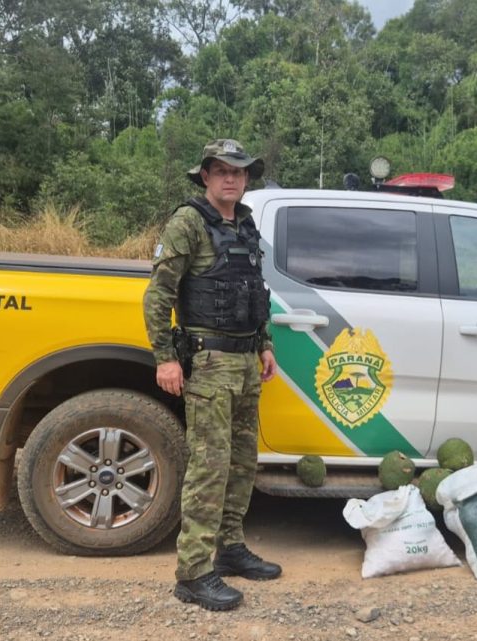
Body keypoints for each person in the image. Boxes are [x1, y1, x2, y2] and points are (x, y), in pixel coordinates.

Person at [143, 139, 280, 612]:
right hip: (208, 362)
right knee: (209, 467)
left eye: (238, 172)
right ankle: (193, 572)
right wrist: (165, 357)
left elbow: (254, 290)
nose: (230, 179)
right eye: (221, 170)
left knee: (242, 462)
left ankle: (231, 548)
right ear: (205, 176)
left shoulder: (245, 223)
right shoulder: (188, 222)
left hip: (244, 362)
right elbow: (159, 294)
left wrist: (265, 344)